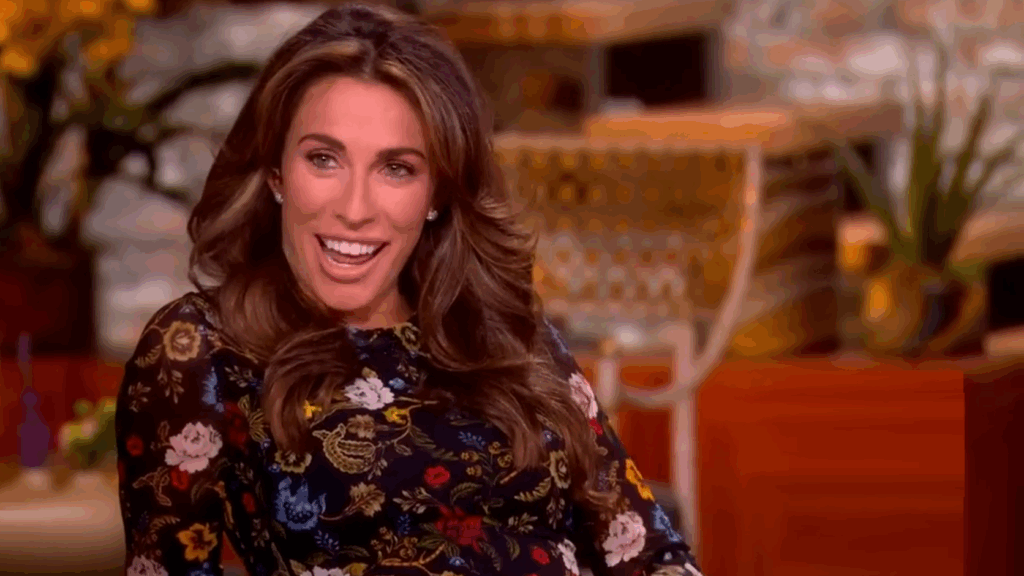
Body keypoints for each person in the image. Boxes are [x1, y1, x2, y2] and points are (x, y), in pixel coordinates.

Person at [114, 4, 702, 576]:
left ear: (437, 193)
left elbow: (647, 551)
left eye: (396, 168)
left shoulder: (506, 333)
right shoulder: (200, 349)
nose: (355, 209)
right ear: (275, 173)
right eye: (324, 159)